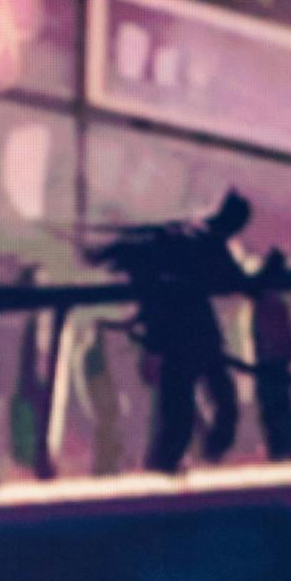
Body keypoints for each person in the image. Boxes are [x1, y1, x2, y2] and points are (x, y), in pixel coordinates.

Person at [101, 191, 247, 474]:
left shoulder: (190, 237)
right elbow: (234, 279)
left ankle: (168, 461)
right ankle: (181, 458)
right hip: (195, 334)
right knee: (211, 402)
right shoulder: (206, 240)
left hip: (178, 337)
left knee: (181, 407)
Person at [246, 268, 291, 462]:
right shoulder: (274, 304)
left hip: (270, 361)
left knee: (274, 406)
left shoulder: (266, 305)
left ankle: (282, 447)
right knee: (280, 405)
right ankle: (286, 447)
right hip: (275, 361)